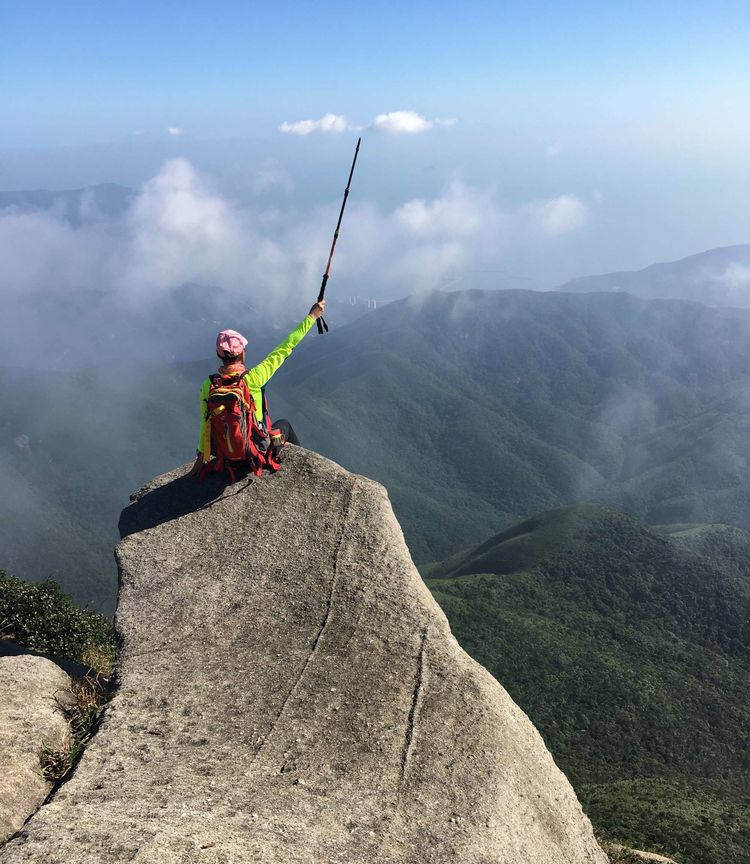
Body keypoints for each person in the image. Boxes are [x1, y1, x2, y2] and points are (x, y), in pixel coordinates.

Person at [189, 299, 326, 478]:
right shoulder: (254, 377)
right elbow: (285, 348)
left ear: (218, 355)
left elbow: (205, 421)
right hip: (256, 451)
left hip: (226, 456)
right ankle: (300, 471)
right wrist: (312, 317)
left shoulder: (209, 385)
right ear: (242, 353)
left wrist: (201, 455)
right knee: (284, 424)